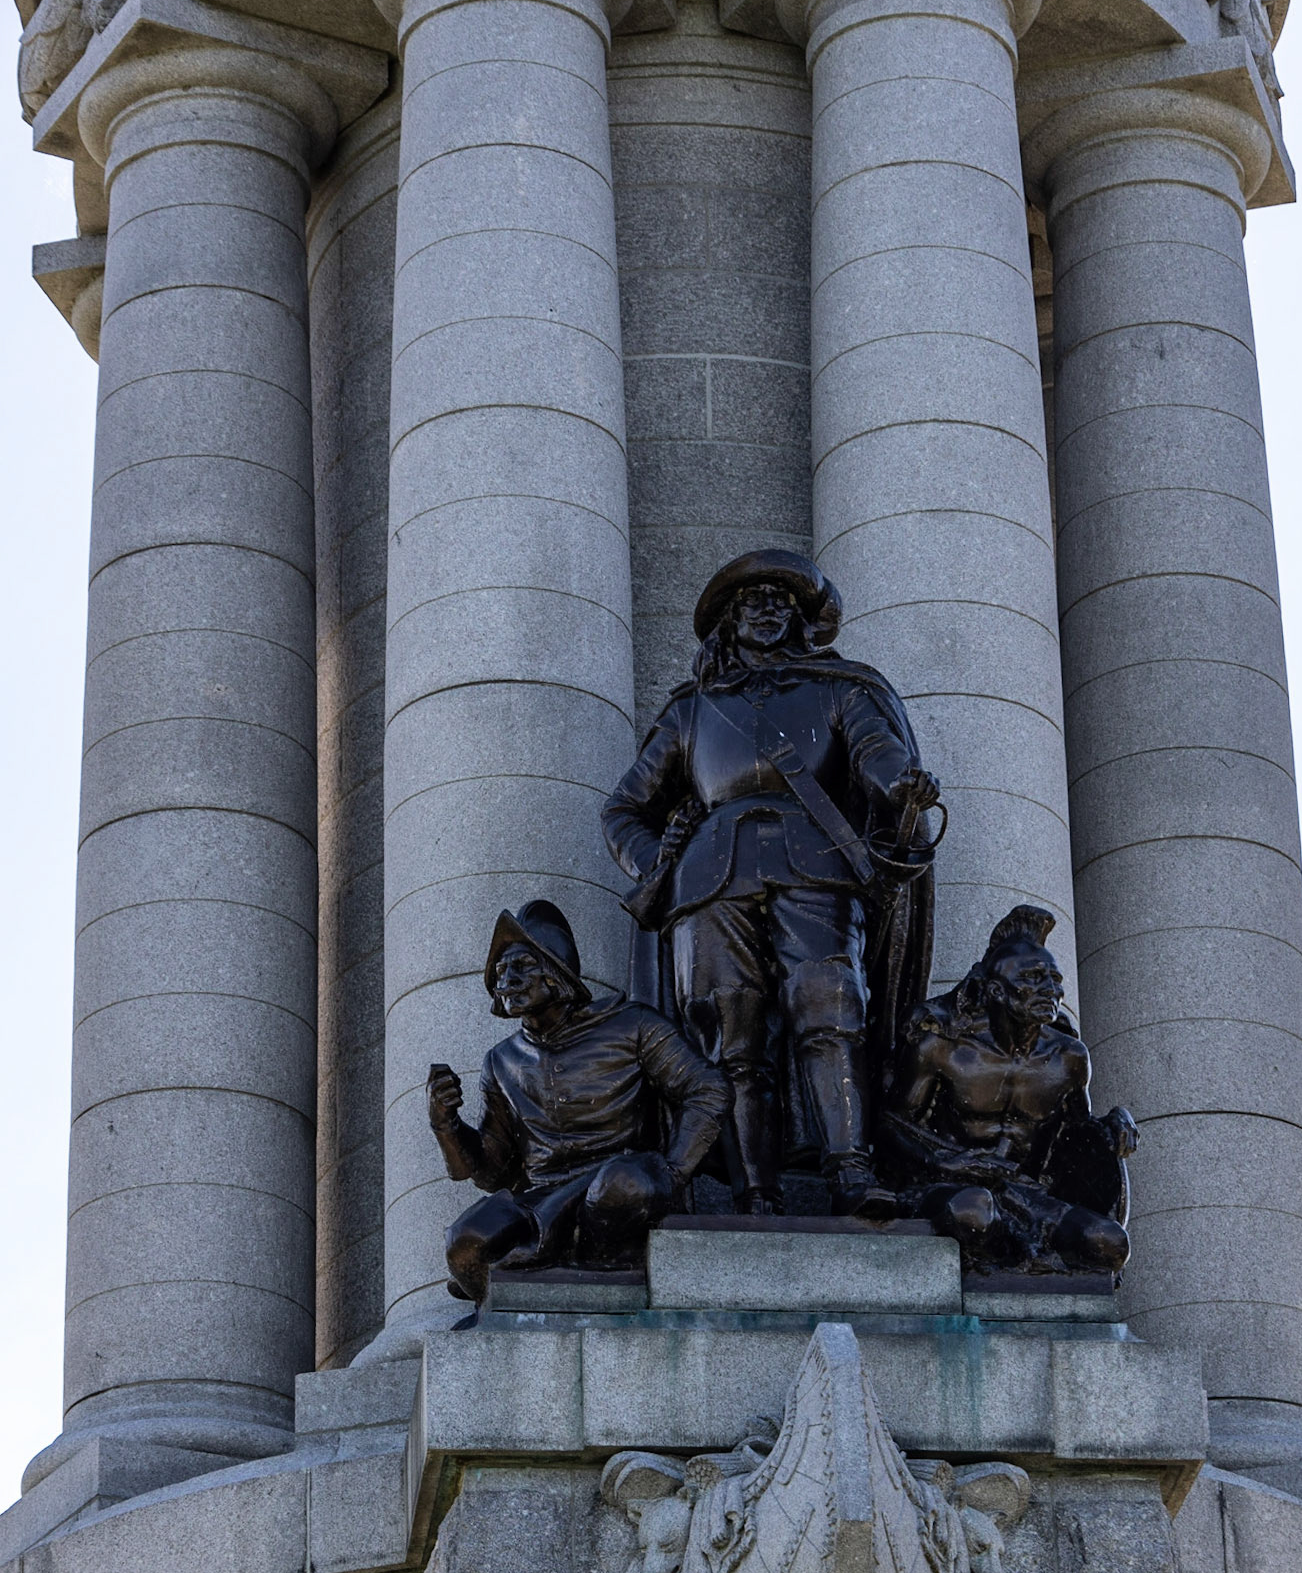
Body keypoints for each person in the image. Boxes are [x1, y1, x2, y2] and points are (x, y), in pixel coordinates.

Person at [601, 549, 941, 1218]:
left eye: (779, 601)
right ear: (729, 621)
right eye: (750, 600)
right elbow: (623, 809)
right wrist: (658, 869)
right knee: (731, 1029)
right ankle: (752, 1187)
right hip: (708, 877)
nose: (764, 609)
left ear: (803, 620)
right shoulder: (691, 712)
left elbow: (879, 756)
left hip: (814, 863)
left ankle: (850, 1169)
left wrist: (901, 787)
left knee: (831, 1003)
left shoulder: (843, 690)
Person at [426, 900, 730, 1311]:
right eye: (500, 972)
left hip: (622, 1179)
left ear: (556, 973)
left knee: (620, 1187)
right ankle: (548, 1274)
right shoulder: (501, 1061)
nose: (507, 980)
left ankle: (585, 1280)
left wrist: (674, 1170)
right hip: (542, 1196)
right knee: (464, 1245)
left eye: (521, 967)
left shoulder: (632, 1023)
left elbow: (707, 1088)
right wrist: (446, 1126)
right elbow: (490, 1170)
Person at [879, 905, 1137, 1276]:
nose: (1051, 990)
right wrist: (943, 1163)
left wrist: (1115, 1123)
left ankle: (1021, 1255)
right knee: (973, 1211)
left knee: (1110, 1244)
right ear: (997, 990)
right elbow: (892, 1124)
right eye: (1034, 978)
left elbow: (1078, 1135)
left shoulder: (1068, 1057)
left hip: (1028, 1192)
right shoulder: (942, 1049)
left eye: (1054, 979)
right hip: (948, 1184)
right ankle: (1020, 1260)